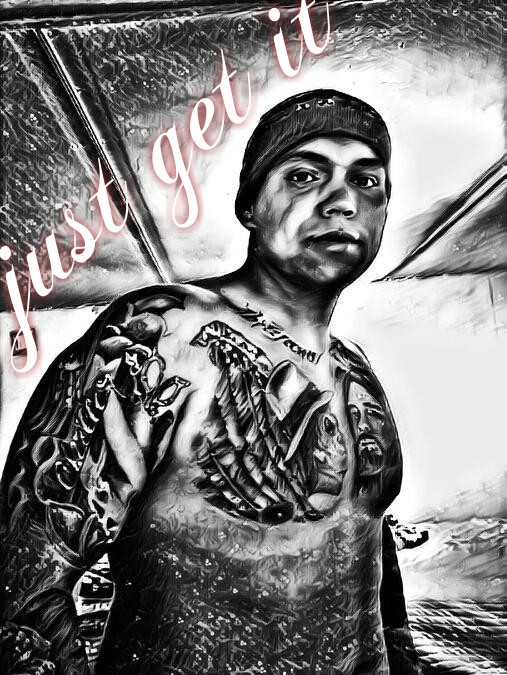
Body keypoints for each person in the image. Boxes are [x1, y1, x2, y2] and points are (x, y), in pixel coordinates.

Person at [0, 90, 419, 674]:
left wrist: (404, 657)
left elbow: (369, 542)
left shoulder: (358, 373)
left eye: (367, 181)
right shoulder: (164, 333)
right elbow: (24, 590)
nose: (343, 200)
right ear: (251, 206)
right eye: (305, 175)